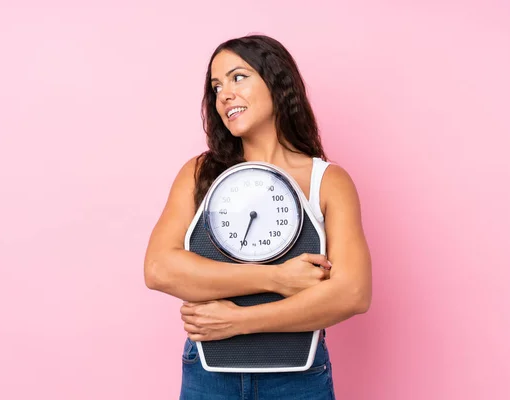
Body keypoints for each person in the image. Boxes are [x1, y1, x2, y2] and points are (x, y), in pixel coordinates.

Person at [144, 34, 372, 400]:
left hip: (298, 379)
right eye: (216, 87)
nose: (224, 95)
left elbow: (353, 293)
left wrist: (237, 321)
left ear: (277, 81)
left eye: (238, 77)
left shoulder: (326, 181)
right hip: (208, 375)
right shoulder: (200, 172)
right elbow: (159, 269)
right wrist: (278, 278)